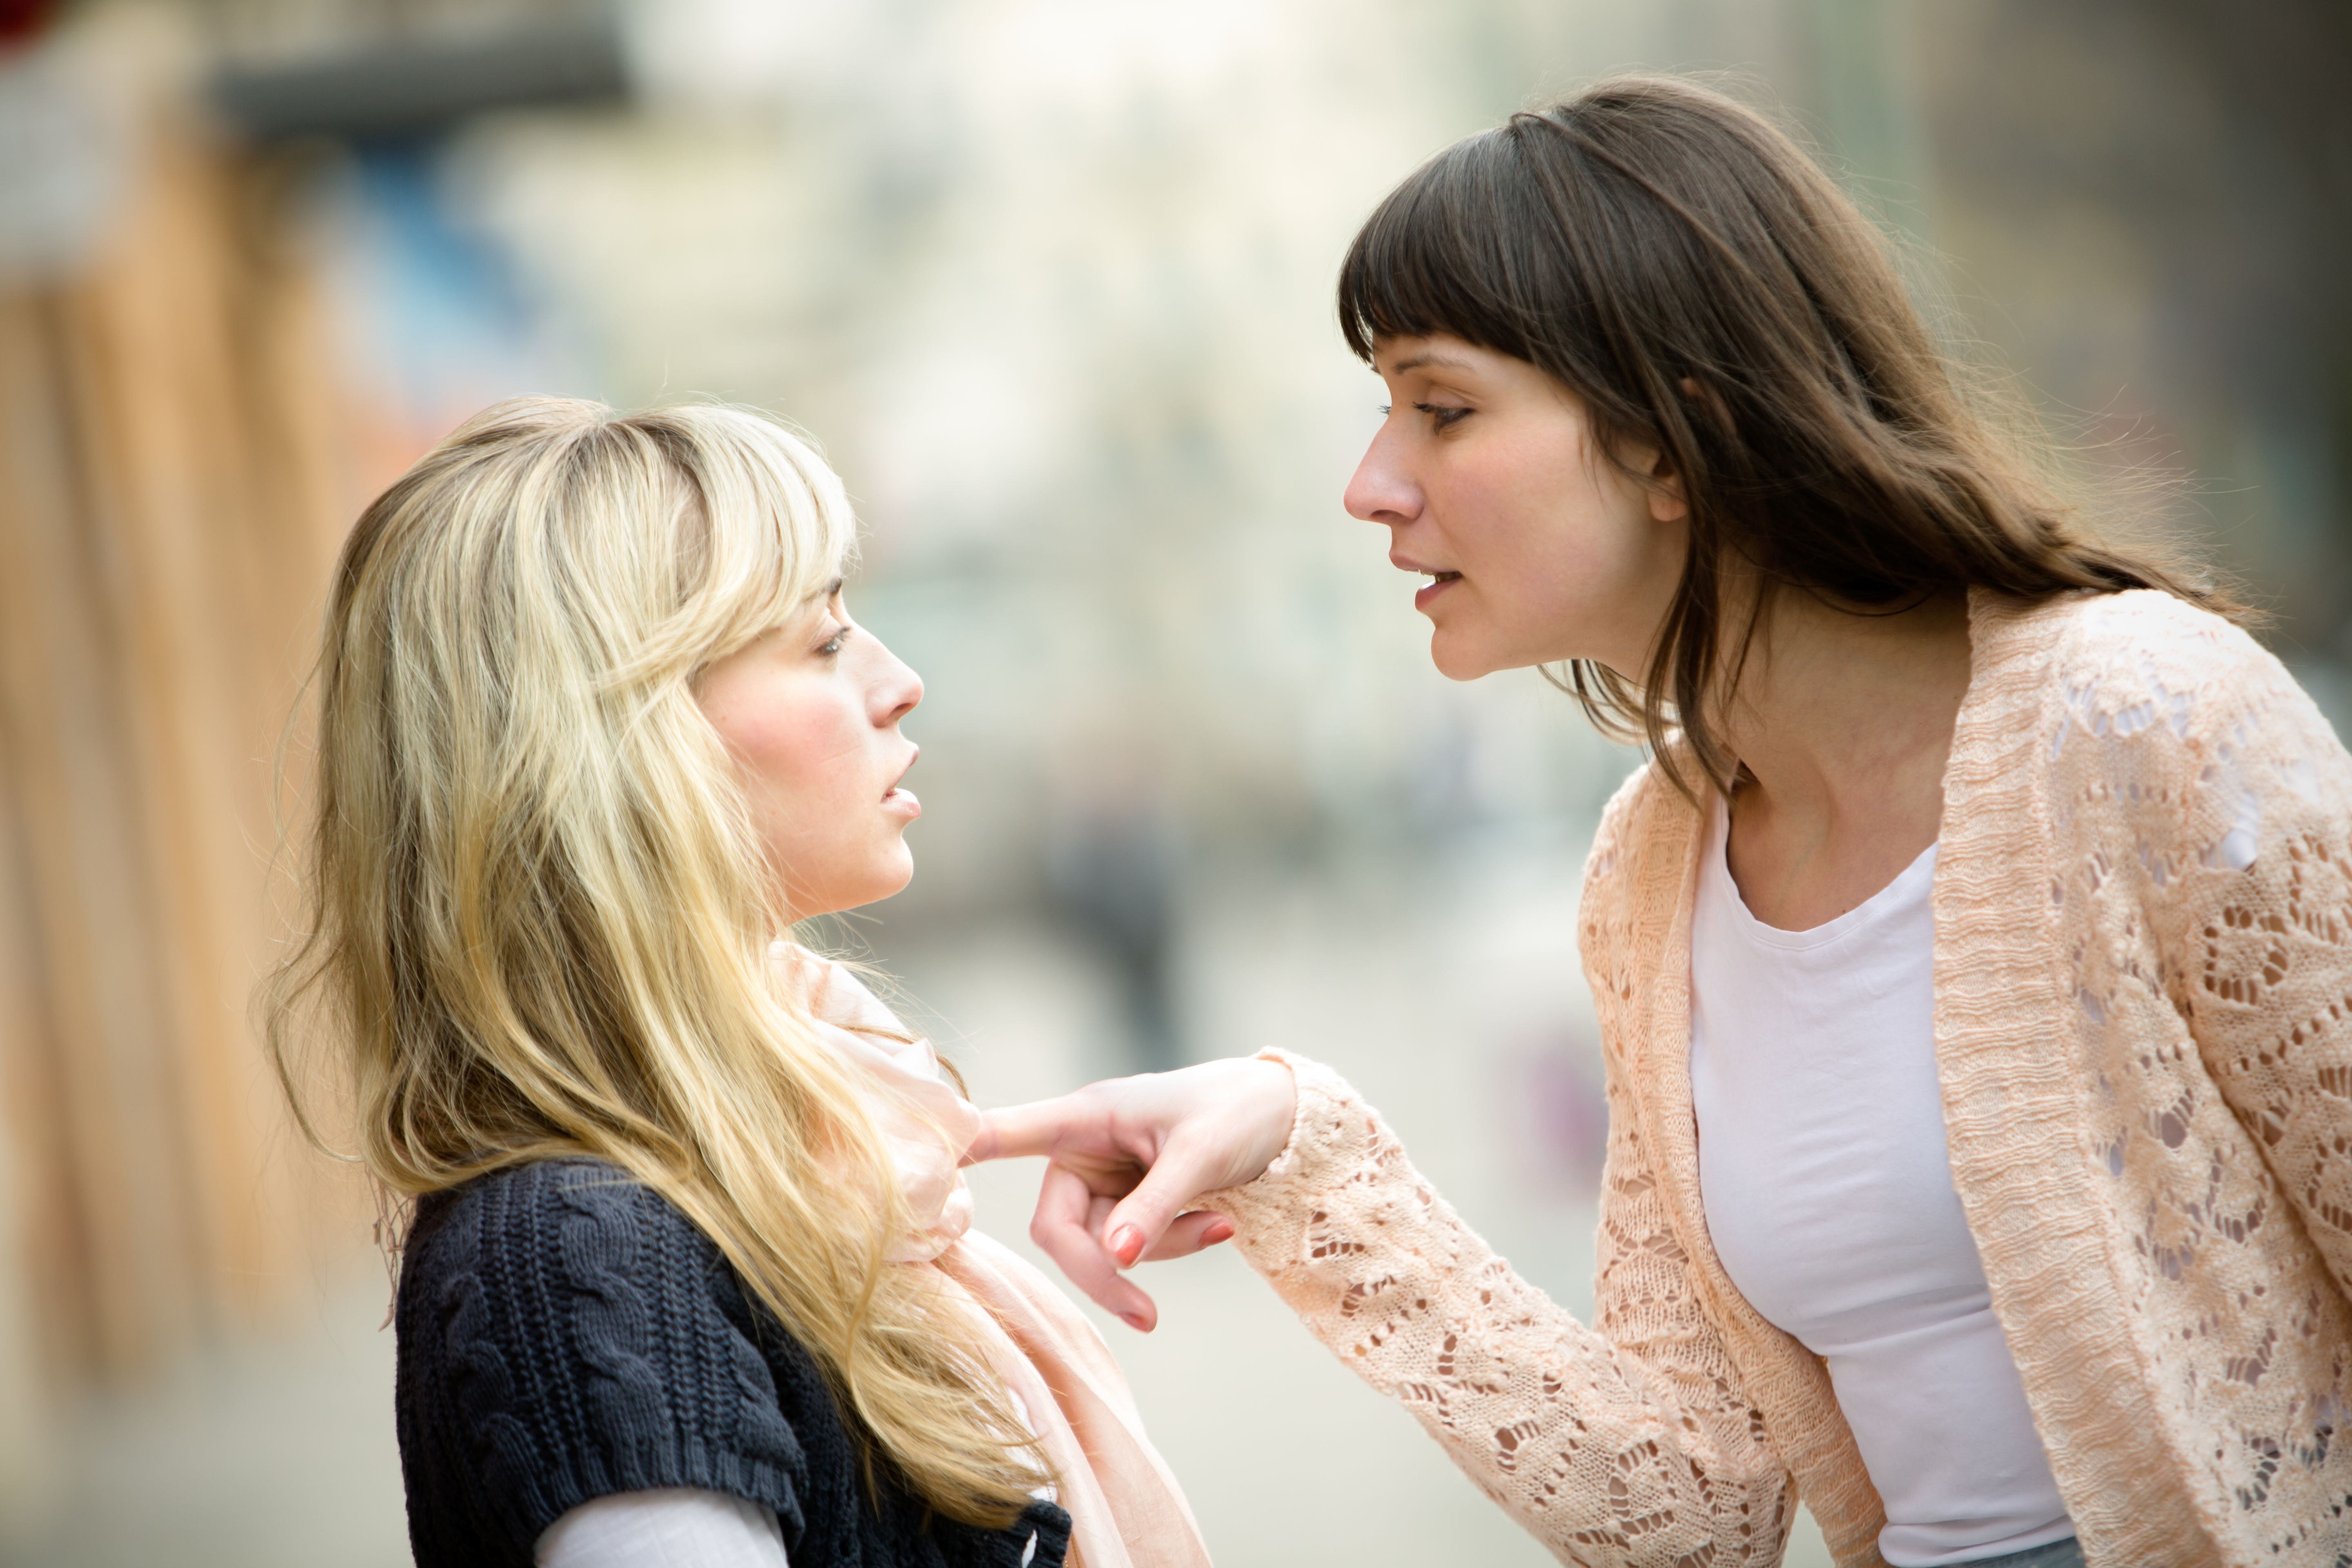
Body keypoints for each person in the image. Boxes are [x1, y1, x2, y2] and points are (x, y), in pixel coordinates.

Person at [969, 76, 2352, 1568]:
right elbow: (1691, 1509)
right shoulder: (1654, 866)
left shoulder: (2140, 720)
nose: (1372, 487)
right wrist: (1302, 1155)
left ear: (1672, 442)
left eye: (1443, 410)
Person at [266, 399, 1211, 1568]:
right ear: (617, 740)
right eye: (822, 643)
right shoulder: (583, 1261)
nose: (900, 681)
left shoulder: (798, 1147)